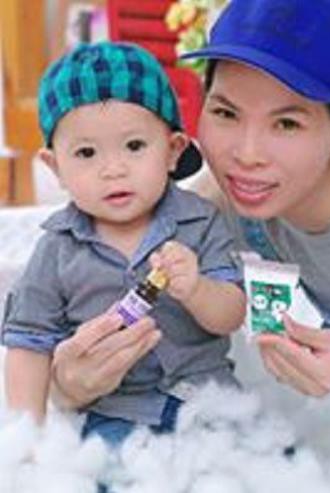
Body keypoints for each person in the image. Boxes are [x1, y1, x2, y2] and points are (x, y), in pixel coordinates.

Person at [51, 0, 330, 442]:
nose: (247, 155)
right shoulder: (219, 202)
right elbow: (120, 307)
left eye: (286, 124)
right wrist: (70, 384)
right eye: (226, 113)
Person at [1, 41, 246, 445]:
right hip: (116, 412)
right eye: (86, 153)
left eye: (134, 146)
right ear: (55, 166)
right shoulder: (56, 249)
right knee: (110, 473)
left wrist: (198, 289)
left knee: (270, 462)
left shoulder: (200, 221)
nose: (113, 169)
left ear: (173, 150)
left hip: (210, 400)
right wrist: (27, 440)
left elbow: (231, 316)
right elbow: (28, 344)